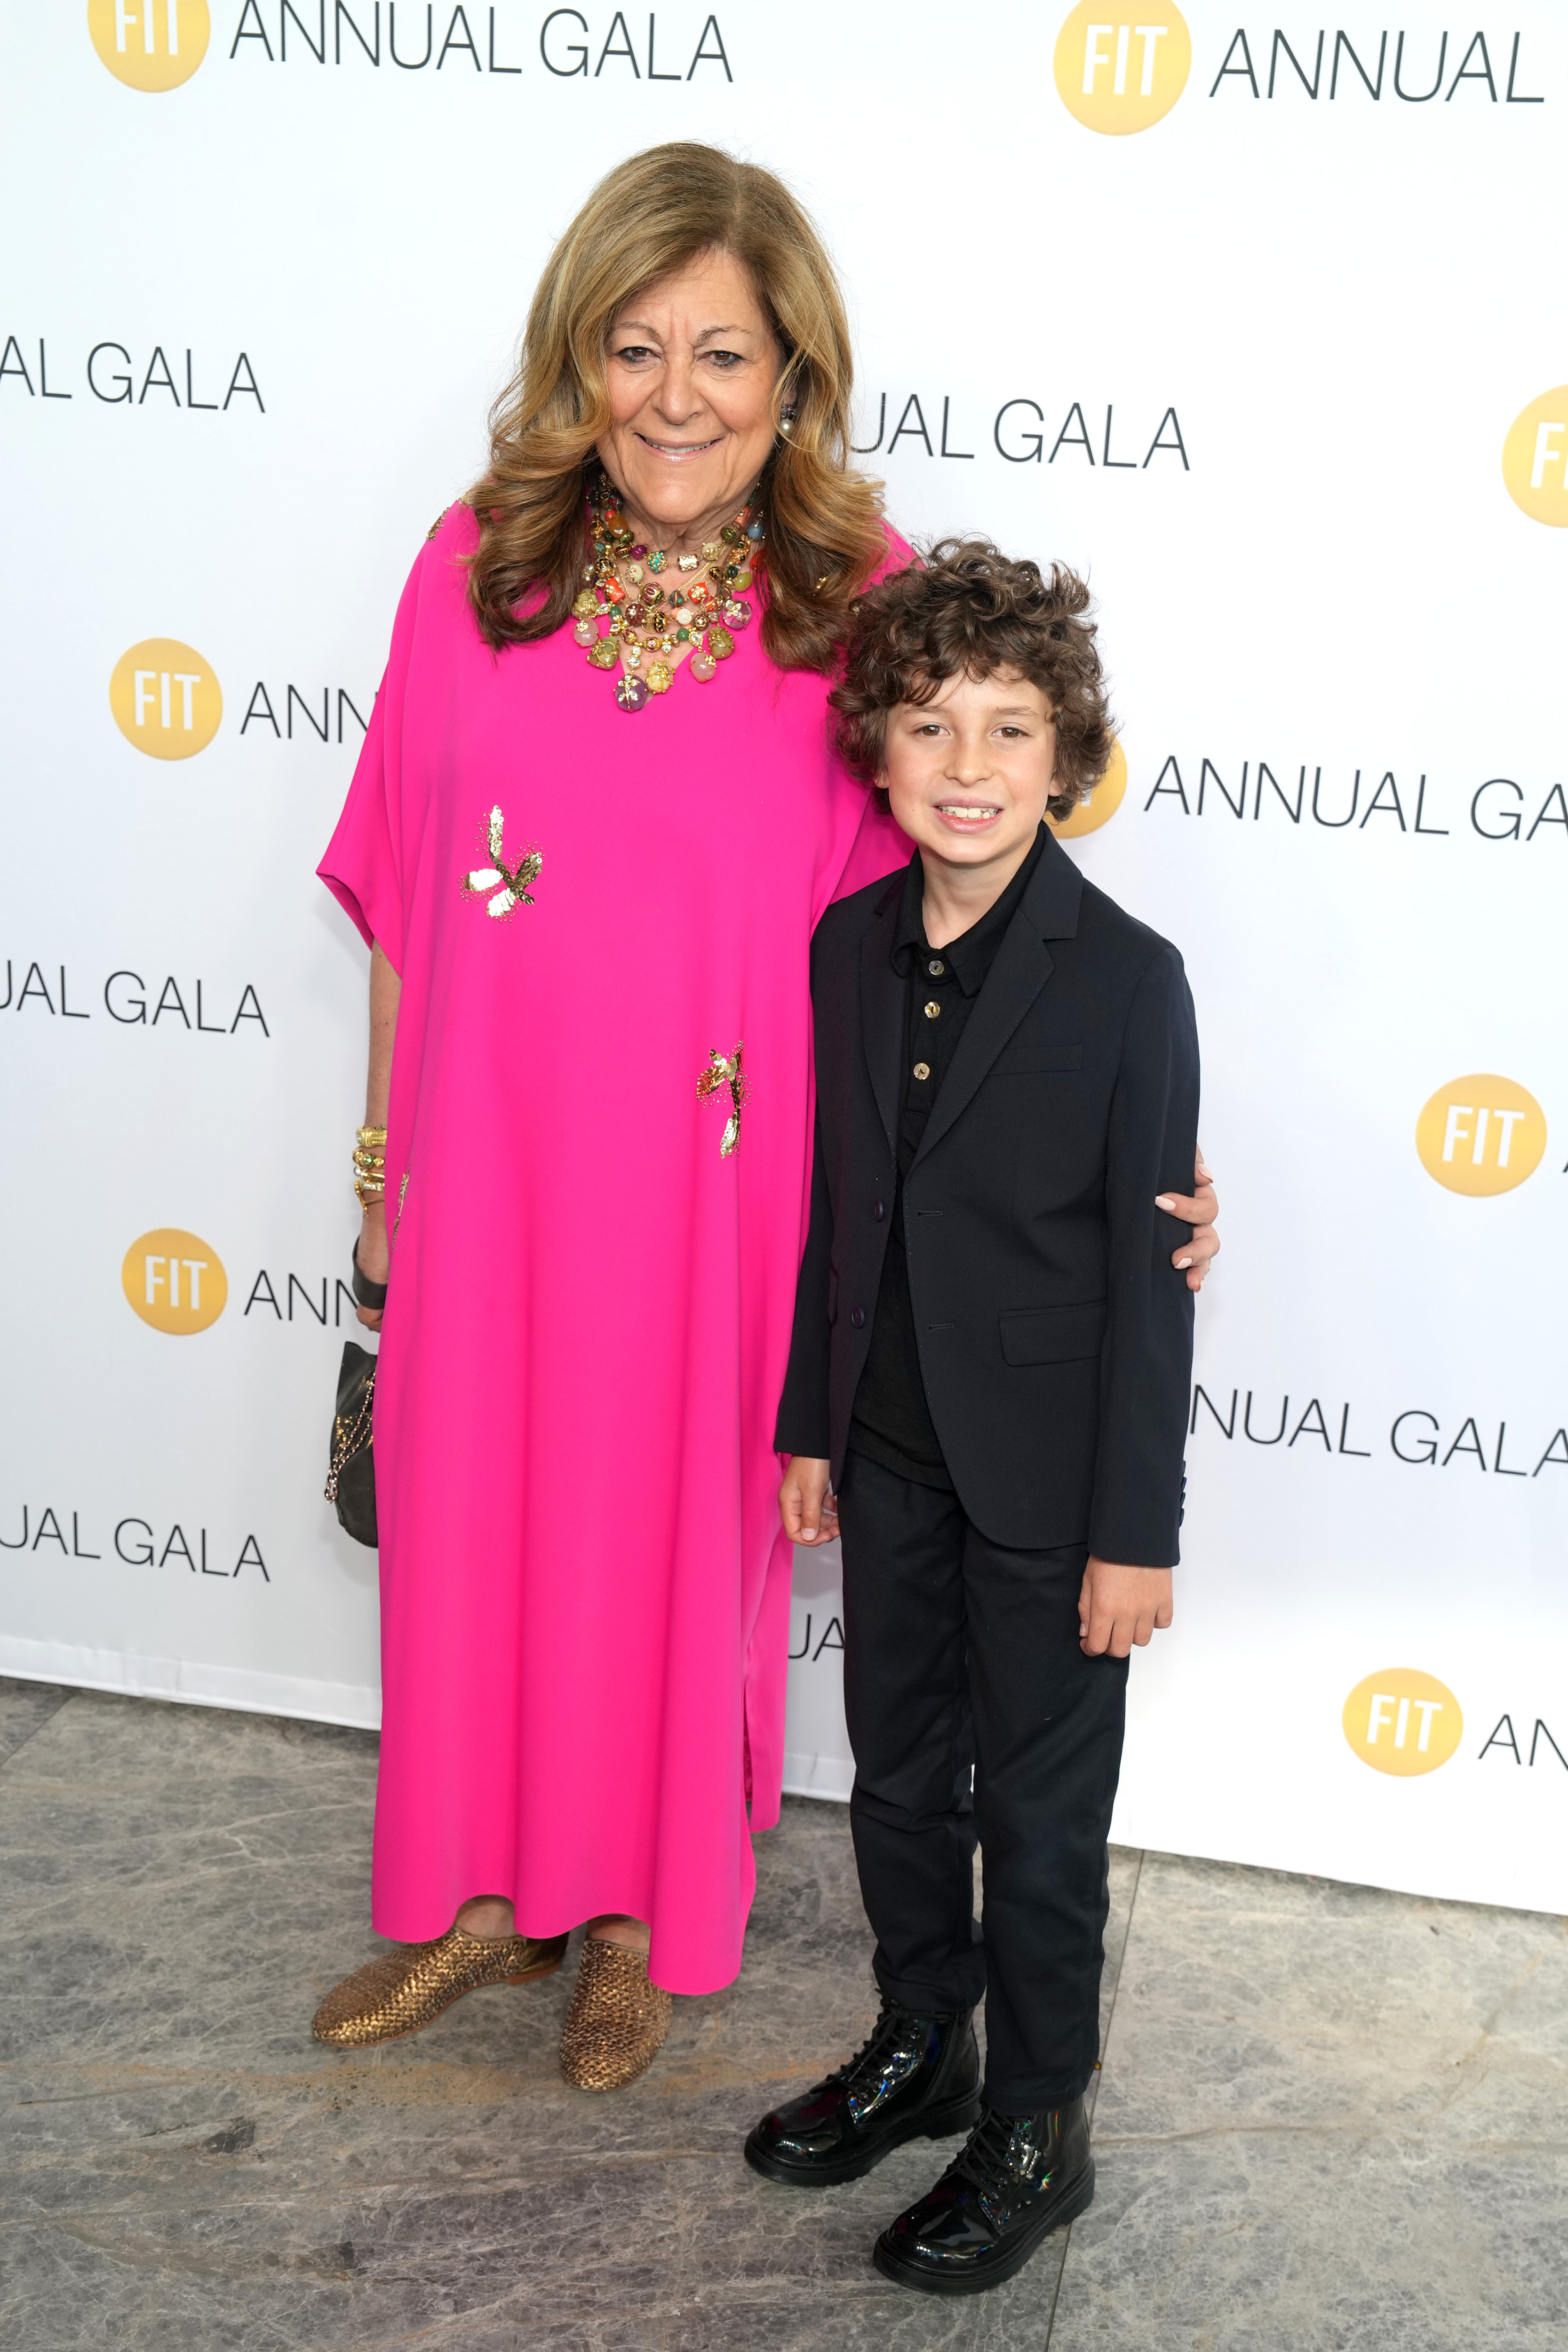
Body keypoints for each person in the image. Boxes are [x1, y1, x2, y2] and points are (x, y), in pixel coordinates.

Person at [311, 143, 1222, 2096]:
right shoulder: (476, 566)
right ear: (580, 355)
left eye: (724, 352)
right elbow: (400, 895)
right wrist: (381, 1174)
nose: (675, 394)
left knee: (665, 1537)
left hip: (735, 1192)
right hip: (487, 1171)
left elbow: (973, 907)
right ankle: (486, 1896)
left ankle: (637, 1916)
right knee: (470, 1523)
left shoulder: (857, 601)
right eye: (634, 346)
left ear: (794, 371)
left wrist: (1121, 1164)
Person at [745, 542, 1200, 2294]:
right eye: (932, 726)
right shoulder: (844, 948)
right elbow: (830, 1213)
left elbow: (1154, 1271)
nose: (970, 766)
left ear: (1065, 753)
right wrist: (809, 1425)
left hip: (1055, 1488)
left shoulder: (1127, 977)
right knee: (895, 1784)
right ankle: (919, 2042)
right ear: (878, 750)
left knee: (1044, 1814)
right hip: (889, 1455)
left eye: (1011, 730)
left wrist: (1133, 1535)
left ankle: (1040, 2119)